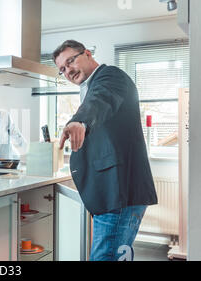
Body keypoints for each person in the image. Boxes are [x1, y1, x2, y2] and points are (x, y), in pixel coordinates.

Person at [53, 40, 158, 261]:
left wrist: (79, 121)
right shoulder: (91, 87)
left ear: (88, 54)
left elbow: (101, 100)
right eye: (62, 69)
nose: (68, 70)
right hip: (113, 194)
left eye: (71, 61)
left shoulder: (110, 77)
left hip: (119, 194)